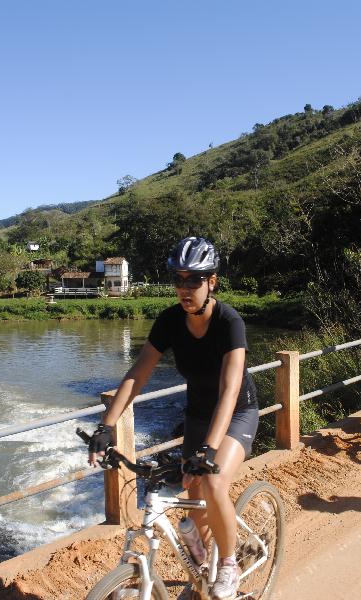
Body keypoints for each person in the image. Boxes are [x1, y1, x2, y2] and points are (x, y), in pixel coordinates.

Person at [86, 236, 258, 600]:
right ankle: (203, 570)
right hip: (198, 414)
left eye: (194, 279)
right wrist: (107, 425)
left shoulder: (230, 323)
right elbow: (138, 373)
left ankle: (229, 564)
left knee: (211, 484)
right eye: (178, 279)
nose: (184, 288)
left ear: (212, 282)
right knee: (191, 500)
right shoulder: (169, 322)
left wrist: (209, 450)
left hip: (237, 413)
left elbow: (229, 391)